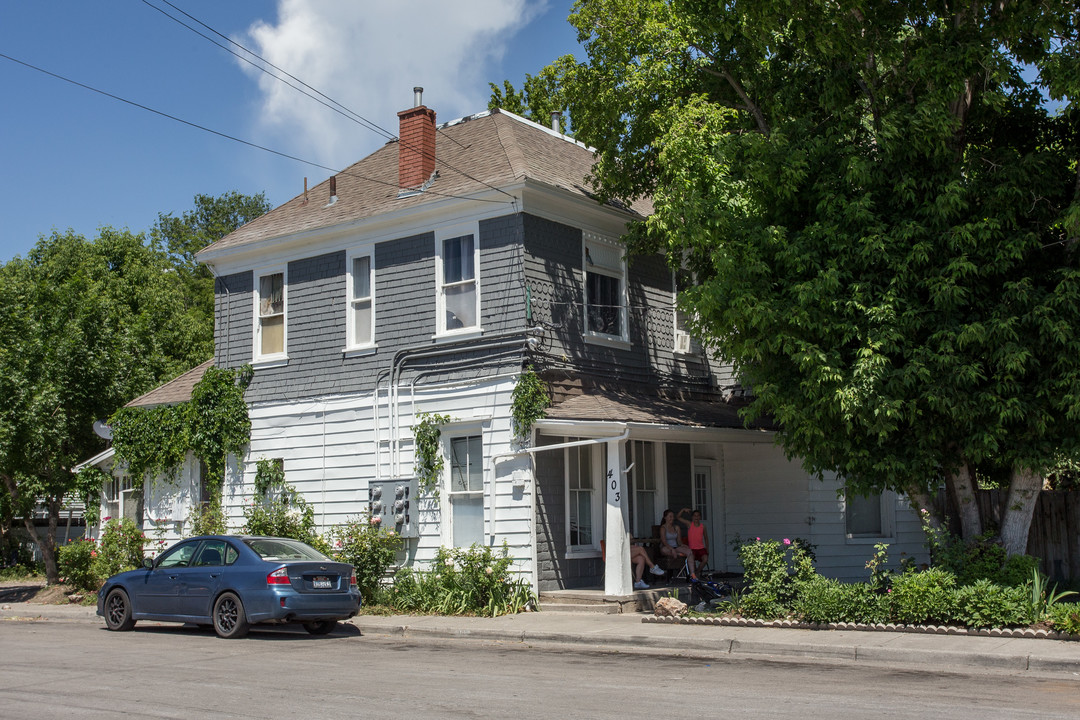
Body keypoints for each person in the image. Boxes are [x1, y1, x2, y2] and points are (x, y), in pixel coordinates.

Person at [658, 508, 697, 579]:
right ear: (665, 517)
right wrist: (671, 549)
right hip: (667, 548)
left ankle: (693, 574)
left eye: (672, 516)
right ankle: (679, 554)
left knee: (689, 551)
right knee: (664, 550)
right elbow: (664, 541)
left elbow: (679, 541)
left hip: (676, 547)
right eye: (670, 516)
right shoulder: (663, 528)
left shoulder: (676, 527)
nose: (672, 518)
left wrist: (683, 545)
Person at [677, 507, 709, 575]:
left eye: (698, 516)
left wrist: (707, 548)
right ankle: (693, 574)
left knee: (705, 559)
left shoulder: (703, 526)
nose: (696, 517)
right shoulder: (689, 524)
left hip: (701, 548)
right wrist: (683, 510)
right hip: (692, 549)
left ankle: (697, 572)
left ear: (700, 517)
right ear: (692, 517)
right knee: (692, 560)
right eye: (694, 515)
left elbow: (706, 538)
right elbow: (678, 517)